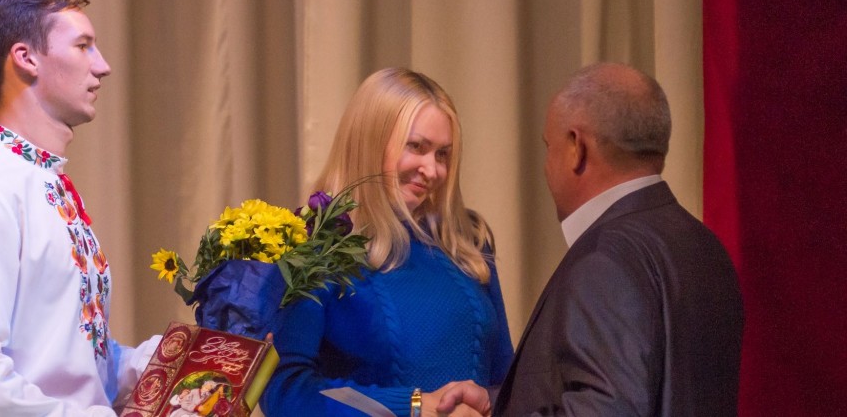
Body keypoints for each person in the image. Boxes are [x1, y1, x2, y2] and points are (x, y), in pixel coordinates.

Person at [0, 0, 160, 415]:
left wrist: (179, 360)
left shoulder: (39, 183)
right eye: (83, 46)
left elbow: (73, 365)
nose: (102, 66)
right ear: (26, 58)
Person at [437, 62, 744, 416]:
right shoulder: (704, 246)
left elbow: (607, 408)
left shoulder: (607, 261)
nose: (547, 165)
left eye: (548, 146)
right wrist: (497, 403)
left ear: (576, 147)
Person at [261, 67, 514, 416]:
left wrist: (486, 401)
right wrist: (415, 406)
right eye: (417, 147)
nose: (433, 170)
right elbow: (286, 392)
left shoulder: (468, 239)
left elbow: (508, 382)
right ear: (371, 143)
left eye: (442, 154)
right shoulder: (316, 245)